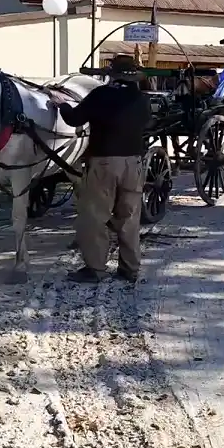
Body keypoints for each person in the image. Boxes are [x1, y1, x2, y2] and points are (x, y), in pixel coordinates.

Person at [49, 55, 152, 283]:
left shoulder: (101, 95)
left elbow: (75, 119)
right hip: (133, 163)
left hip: (104, 163)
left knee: (94, 216)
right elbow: (147, 124)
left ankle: (95, 269)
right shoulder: (142, 99)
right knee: (129, 217)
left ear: (111, 74)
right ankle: (130, 269)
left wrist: (62, 103)